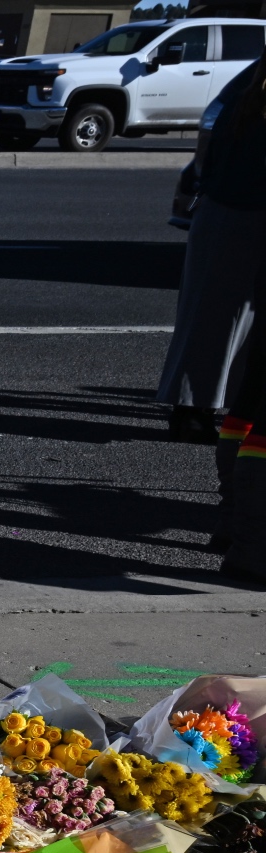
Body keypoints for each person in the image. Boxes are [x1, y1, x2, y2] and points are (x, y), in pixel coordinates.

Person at [162, 56, 266, 545]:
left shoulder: (247, 83)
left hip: (224, 215)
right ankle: (245, 527)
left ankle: (234, 518)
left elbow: (208, 150)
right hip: (250, 220)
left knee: (244, 384)